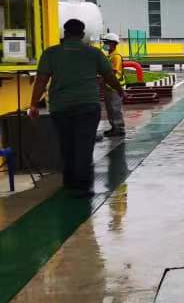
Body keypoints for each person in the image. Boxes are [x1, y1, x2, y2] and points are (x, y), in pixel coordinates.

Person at [28, 19, 124, 196]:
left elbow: (41, 80)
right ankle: (82, 186)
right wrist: (119, 90)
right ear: (82, 34)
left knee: (66, 144)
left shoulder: (51, 53)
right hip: (88, 106)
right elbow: (109, 75)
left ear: (65, 33)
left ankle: (70, 182)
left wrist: (33, 104)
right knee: (84, 146)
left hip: (61, 108)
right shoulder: (93, 53)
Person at [101, 32, 126, 137]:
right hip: (109, 86)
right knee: (110, 108)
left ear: (113, 44)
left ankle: (119, 128)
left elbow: (113, 72)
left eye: (106, 42)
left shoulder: (116, 56)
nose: (104, 45)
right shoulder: (109, 55)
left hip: (115, 87)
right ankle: (114, 127)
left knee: (115, 108)